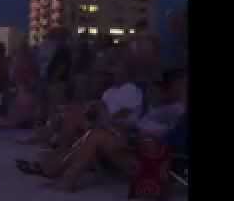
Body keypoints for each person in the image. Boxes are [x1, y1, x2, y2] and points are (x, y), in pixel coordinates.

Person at [19, 69, 185, 193]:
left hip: (155, 161)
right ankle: (57, 169)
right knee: (93, 132)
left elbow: (172, 141)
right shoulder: (166, 109)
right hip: (139, 147)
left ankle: (64, 177)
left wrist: (136, 136)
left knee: (96, 135)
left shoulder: (179, 111)